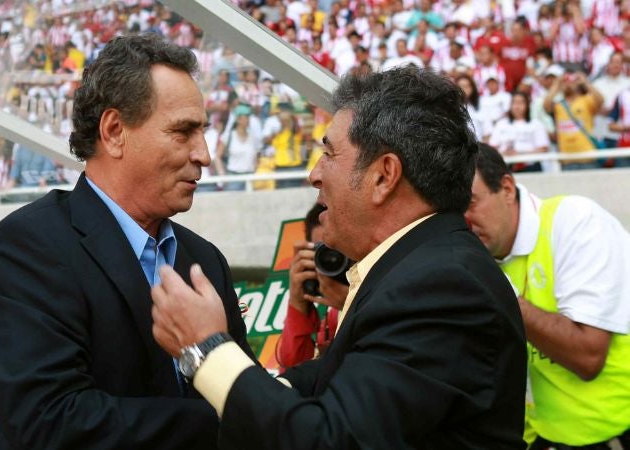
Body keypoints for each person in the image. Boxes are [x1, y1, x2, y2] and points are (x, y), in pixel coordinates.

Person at [150, 67, 527, 449]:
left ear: (384, 176)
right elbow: (325, 380)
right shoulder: (414, 269)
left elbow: (330, 440)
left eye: (329, 153)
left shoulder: (443, 285)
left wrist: (206, 350)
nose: (314, 174)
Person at [0, 33, 254, 449]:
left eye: (203, 131)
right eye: (183, 132)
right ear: (114, 130)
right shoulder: (29, 246)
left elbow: (244, 391)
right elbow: (48, 422)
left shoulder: (205, 261)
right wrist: (224, 421)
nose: (205, 154)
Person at [465, 144, 630, 450]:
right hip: (543, 435)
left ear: (507, 188)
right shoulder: (478, 256)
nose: (465, 220)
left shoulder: (576, 222)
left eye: (470, 203)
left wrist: (502, 294)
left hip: (615, 431)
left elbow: (588, 356)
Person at [277, 203, 348, 370]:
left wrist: (353, 305)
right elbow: (292, 375)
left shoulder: (383, 294)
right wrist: (298, 304)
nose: (332, 260)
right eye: (322, 251)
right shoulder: (330, 319)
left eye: (338, 250)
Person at [488, 91, 550, 172]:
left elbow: (543, 149)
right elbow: (492, 148)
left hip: (530, 168)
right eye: (514, 103)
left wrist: (520, 154)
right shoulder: (501, 124)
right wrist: (504, 153)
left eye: (521, 103)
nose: (517, 106)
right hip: (505, 167)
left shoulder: (536, 124)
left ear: (527, 105)